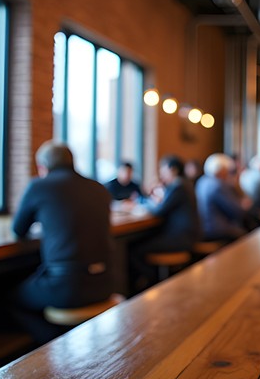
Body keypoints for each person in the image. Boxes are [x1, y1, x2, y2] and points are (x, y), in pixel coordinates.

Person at [11, 141, 115, 344]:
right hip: (105, 282)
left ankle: (51, 345)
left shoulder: (39, 186)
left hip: (67, 288)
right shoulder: (98, 188)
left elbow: (18, 229)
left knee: (8, 298)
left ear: (42, 167)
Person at [129, 155, 199, 290]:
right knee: (140, 245)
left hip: (181, 238)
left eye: (162, 169)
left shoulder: (178, 186)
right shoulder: (183, 184)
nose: (160, 173)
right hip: (187, 235)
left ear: (172, 170)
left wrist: (141, 203)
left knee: (135, 250)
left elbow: (158, 211)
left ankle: (152, 284)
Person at [195, 153, 252, 242]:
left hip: (202, 228)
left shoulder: (202, 181)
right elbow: (236, 212)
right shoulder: (218, 185)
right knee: (248, 236)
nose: (228, 173)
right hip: (216, 230)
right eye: (227, 170)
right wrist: (244, 205)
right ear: (221, 170)